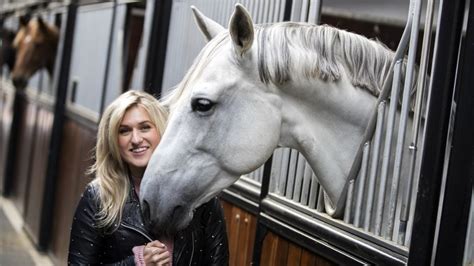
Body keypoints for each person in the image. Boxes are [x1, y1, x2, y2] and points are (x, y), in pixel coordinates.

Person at [68, 90, 229, 265]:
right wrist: (137, 262)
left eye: (145, 127)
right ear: (114, 140)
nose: (136, 139)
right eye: (124, 131)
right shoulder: (98, 196)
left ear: (161, 130)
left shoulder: (199, 194)